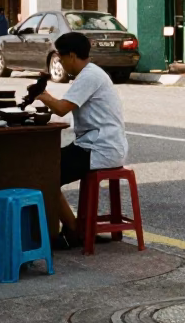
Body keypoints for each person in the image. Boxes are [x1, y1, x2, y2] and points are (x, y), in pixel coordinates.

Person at [33, 32, 128, 246]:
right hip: (95, 144)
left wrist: (43, 95)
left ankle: (73, 230)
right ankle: (73, 227)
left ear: (72, 56)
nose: (62, 63)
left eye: (62, 58)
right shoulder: (91, 73)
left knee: (41, 175)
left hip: (99, 148)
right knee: (43, 168)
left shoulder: (89, 76)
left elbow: (61, 108)